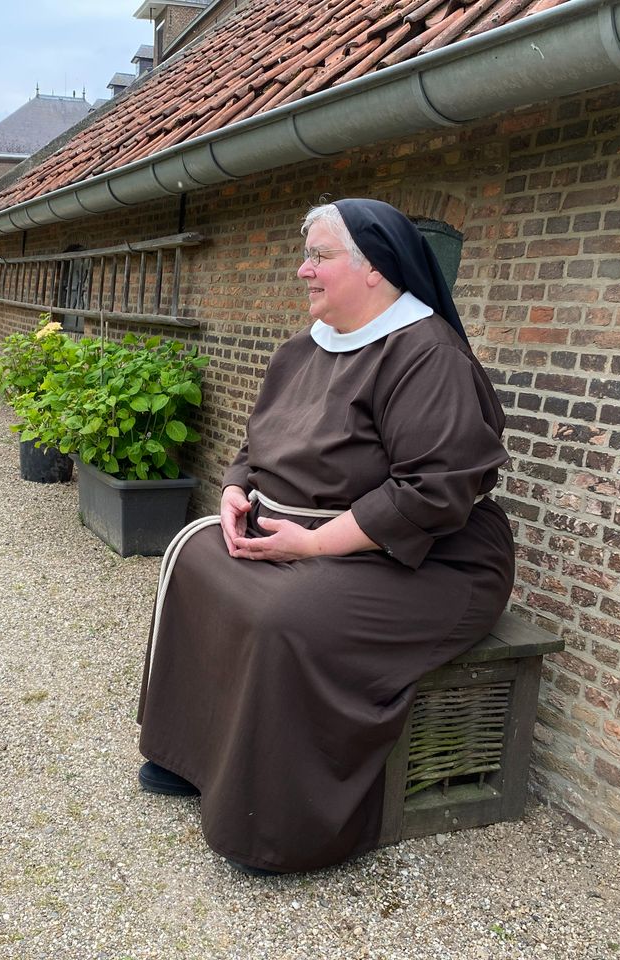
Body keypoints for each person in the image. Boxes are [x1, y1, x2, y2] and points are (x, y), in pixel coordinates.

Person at [135, 198, 515, 875]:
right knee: (196, 556)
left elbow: (433, 493)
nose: (303, 270)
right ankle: (190, 760)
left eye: (320, 256)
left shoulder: (428, 358)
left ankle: (276, 827)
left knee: (285, 616)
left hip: (431, 559)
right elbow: (258, 447)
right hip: (306, 534)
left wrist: (311, 546)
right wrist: (232, 491)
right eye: (305, 255)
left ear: (375, 269)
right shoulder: (300, 351)